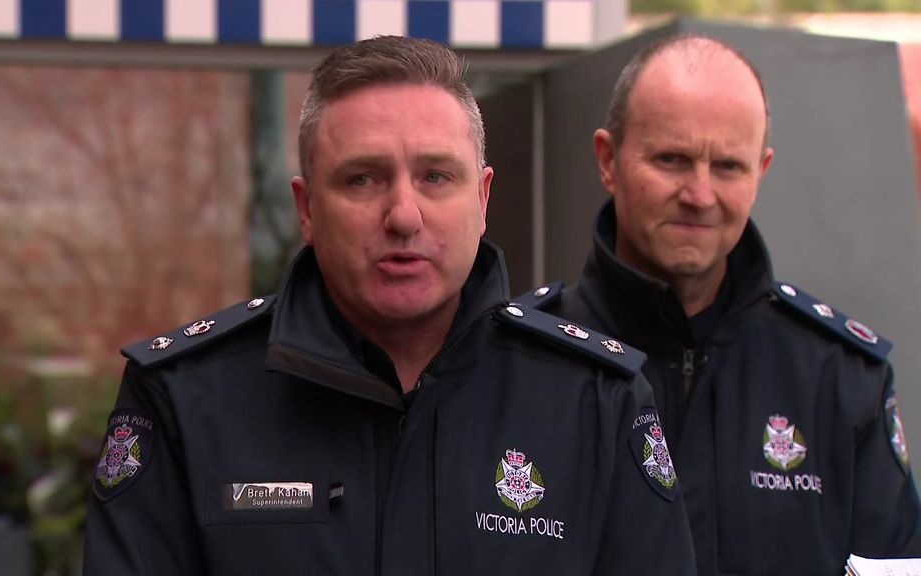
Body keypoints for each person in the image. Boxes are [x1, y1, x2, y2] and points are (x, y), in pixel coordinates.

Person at [81, 36, 695, 574]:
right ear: (306, 208)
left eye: (435, 176)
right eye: (363, 179)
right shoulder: (185, 400)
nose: (403, 215)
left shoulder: (595, 402)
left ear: (482, 199)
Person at [516, 34, 921, 574]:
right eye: (672, 159)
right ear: (608, 160)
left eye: (728, 166)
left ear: (761, 171)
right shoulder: (514, 365)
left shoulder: (840, 378)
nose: (700, 195)